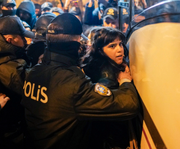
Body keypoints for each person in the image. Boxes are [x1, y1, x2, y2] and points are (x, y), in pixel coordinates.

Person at [21, 13, 140, 149]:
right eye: (79, 42)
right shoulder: (72, 83)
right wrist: (125, 81)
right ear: (74, 44)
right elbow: (129, 104)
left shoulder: (35, 72)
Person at [81, 27, 138, 148]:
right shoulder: (108, 75)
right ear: (100, 50)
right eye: (112, 46)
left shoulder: (91, 64)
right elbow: (119, 107)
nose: (120, 50)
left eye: (120, 44)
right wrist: (125, 81)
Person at [0, 16, 34, 148]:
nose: (26, 41)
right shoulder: (11, 69)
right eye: (22, 37)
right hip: (12, 134)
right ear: (10, 40)